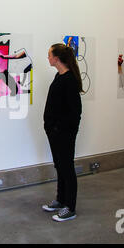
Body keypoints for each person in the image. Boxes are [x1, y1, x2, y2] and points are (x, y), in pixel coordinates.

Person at [42, 43, 83, 222]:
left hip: (64, 133)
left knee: (67, 168)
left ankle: (70, 207)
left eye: (49, 55)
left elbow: (75, 112)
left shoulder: (70, 80)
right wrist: (51, 127)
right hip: (54, 132)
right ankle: (60, 200)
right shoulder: (59, 76)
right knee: (60, 166)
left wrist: (60, 128)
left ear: (56, 58)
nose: (48, 58)